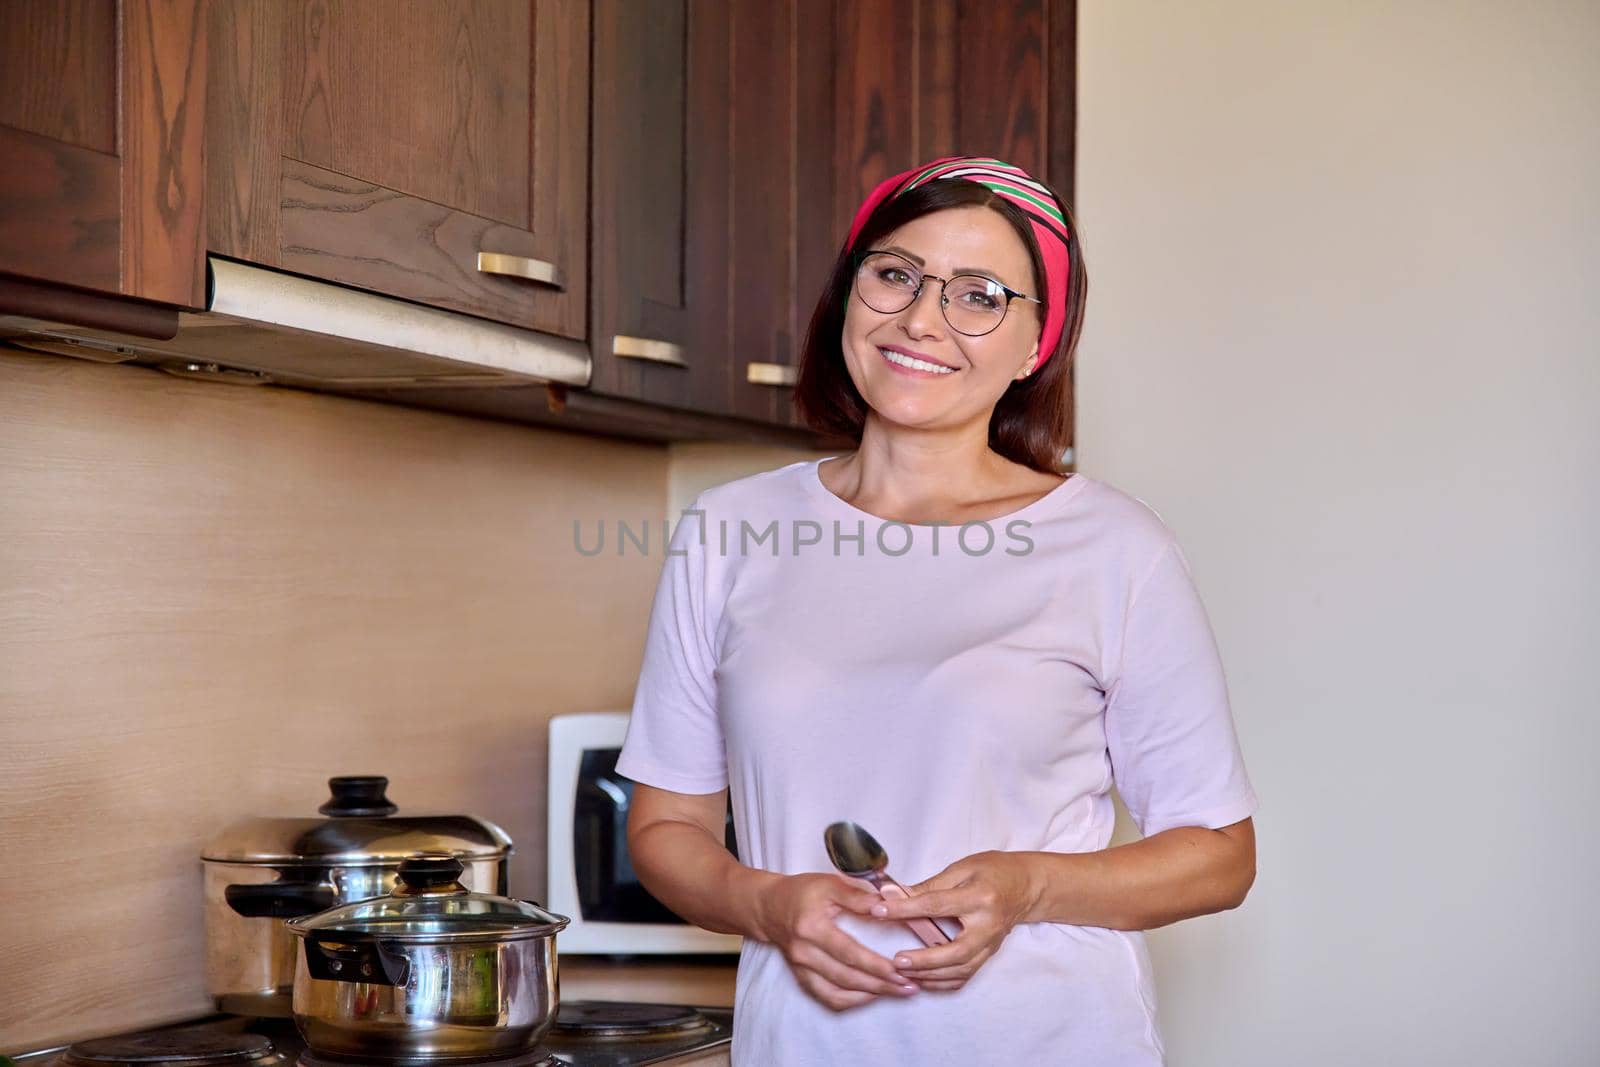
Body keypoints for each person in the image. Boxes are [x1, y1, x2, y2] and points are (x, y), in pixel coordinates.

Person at [615, 156, 1258, 1066]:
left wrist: (1027, 886)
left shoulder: (1117, 548)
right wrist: (766, 904)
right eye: (895, 275)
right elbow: (666, 828)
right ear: (850, 294)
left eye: (980, 295)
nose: (921, 318)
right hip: (802, 1047)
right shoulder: (731, 530)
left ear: (1038, 343)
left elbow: (1219, 854)